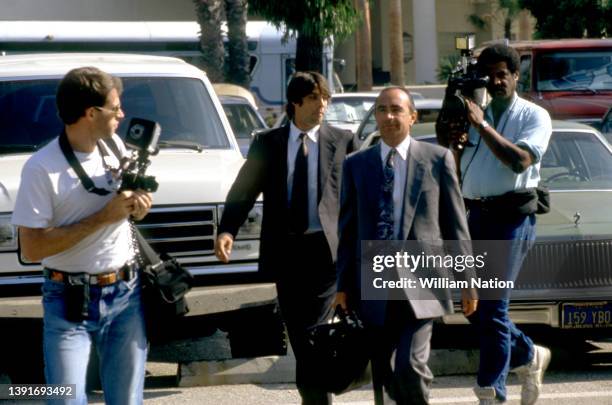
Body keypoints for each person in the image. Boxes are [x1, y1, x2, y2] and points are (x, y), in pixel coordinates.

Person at [12, 67, 152, 405]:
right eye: (115, 107)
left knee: (127, 400)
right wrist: (103, 217)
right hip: (67, 300)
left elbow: (123, 213)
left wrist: (137, 207)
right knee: (65, 399)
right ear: (91, 113)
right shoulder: (41, 167)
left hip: (125, 294)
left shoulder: (116, 147)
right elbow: (31, 249)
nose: (122, 114)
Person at [215, 71, 357, 404]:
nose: (321, 105)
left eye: (325, 98)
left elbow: (359, 194)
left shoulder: (343, 140)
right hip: (287, 254)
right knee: (300, 336)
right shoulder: (270, 143)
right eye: (312, 99)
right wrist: (227, 230)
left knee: (313, 334)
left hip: (327, 254)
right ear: (295, 103)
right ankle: (316, 397)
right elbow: (244, 189)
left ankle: (317, 400)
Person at [334, 87, 478, 405]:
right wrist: (343, 285)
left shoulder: (437, 159)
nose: (388, 116)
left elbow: (456, 225)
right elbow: (347, 231)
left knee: (410, 366)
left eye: (396, 109)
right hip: (375, 283)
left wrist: (467, 282)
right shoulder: (356, 164)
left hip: (423, 281)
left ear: (412, 116)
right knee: (385, 373)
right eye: (382, 109)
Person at [456, 44, 552, 405]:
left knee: (493, 305)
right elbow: (454, 161)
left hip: (512, 218)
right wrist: (458, 130)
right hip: (474, 216)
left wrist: (481, 125)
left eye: (502, 74)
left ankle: (490, 392)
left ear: (515, 76)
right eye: (489, 75)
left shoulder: (534, 115)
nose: (495, 81)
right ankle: (528, 355)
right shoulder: (471, 111)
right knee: (471, 304)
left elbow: (519, 160)